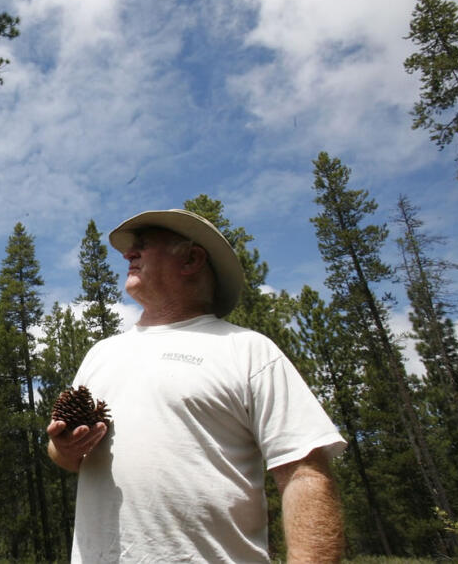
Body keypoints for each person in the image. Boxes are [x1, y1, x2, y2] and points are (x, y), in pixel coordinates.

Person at [48, 209, 346, 563]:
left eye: (143, 246)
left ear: (191, 258)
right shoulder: (101, 354)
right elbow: (68, 457)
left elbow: (304, 472)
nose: (128, 254)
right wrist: (65, 450)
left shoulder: (247, 350)